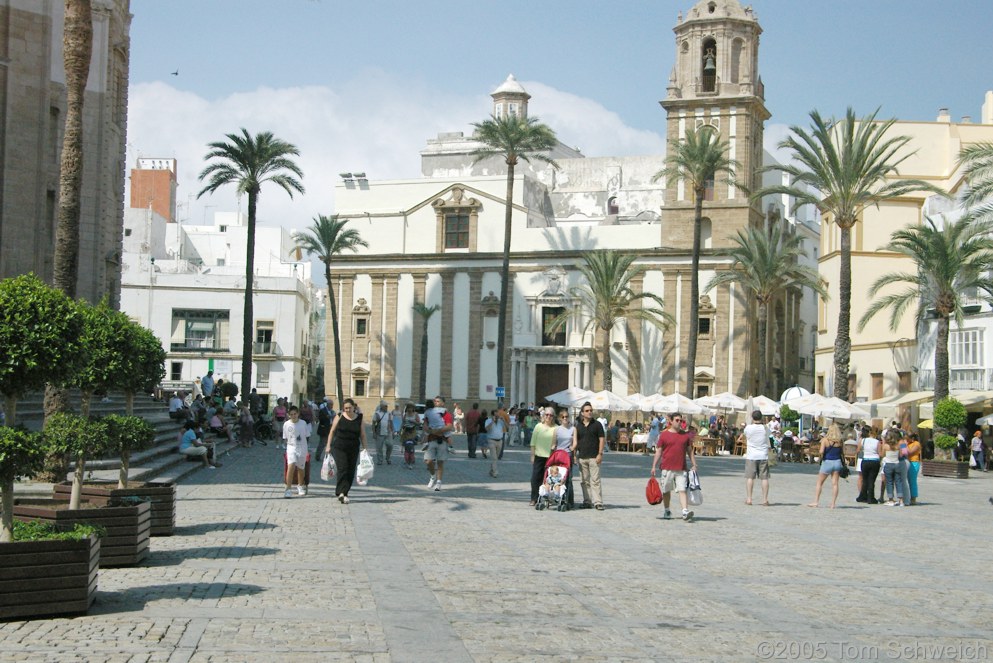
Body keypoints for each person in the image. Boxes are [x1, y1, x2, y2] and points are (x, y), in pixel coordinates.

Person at [650, 413, 697, 521]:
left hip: (681, 468)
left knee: (682, 489)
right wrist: (654, 466)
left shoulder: (685, 436)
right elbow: (659, 451)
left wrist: (694, 464)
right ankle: (667, 510)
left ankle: (685, 511)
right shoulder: (664, 435)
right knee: (666, 490)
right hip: (667, 468)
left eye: (681, 421)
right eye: (677, 420)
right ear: (671, 421)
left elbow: (690, 451)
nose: (679, 422)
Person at [325, 398, 368, 504]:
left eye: (349, 408)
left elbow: (362, 435)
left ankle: (345, 492)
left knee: (350, 471)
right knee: (342, 468)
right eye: (346, 408)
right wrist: (328, 445)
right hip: (339, 447)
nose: (348, 410)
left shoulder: (359, 419)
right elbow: (332, 431)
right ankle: (341, 492)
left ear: (354, 407)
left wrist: (365, 449)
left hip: (353, 447)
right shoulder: (339, 416)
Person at [572, 401, 606, 510]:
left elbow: (602, 439)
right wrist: (574, 455)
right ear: (582, 413)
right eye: (587, 411)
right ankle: (587, 501)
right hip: (582, 457)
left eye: (591, 410)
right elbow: (575, 441)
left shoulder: (597, 424)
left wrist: (600, 454)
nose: (590, 412)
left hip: (594, 457)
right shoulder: (578, 426)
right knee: (584, 481)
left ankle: (598, 502)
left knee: (595, 480)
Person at [807, 423, 845, 508]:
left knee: (819, 483)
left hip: (827, 462)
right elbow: (842, 452)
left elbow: (821, 452)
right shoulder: (840, 441)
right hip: (837, 462)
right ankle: (833, 504)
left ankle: (816, 501)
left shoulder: (825, 440)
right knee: (835, 484)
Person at [741, 409, 771, 506]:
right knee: (764, 478)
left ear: (752, 418)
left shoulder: (748, 428)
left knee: (750, 477)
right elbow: (768, 436)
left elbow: (745, 436)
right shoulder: (765, 428)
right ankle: (765, 500)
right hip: (763, 455)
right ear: (761, 417)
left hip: (751, 455)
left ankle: (749, 499)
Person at [423, 395, 453, 491]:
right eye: (435, 401)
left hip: (442, 440)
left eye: (438, 401)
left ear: (443, 403)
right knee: (428, 460)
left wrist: (437, 431)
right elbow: (425, 425)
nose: (436, 403)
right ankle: (432, 476)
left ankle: (438, 482)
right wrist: (430, 431)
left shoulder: (446, 414)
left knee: (440, 462)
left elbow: (449, 427)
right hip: (431, 439)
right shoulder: (430, 413)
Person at [529, 408, 557, 506]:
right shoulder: (538, 426)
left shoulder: (556, 428)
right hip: (539, 456)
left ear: (554, 417)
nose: (548, 417)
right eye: (547, 415)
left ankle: (548, 498)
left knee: (549, 479)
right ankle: (534, 498)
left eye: (551, 415)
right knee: (535, 478)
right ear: (544, 416)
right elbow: (533, 442)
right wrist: (532, 455)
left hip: (551, 457)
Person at [282, 406, 311, 497]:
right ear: (289, 415)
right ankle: (288, 488)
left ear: (298, 414)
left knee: (301, 468)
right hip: (291, 447)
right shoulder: (286, 424)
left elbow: (307, 435)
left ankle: (300, 485)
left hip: (302, 447)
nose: (293, 416)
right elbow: (286, 437)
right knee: (291, 466)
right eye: (291, 414)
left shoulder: (303, 423)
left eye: (295, 414)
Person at [554, 407, 576, 509]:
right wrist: (552, 449)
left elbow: (575, 441)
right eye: (563, 417)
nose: (565, 418)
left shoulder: (573, 429)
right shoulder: (557, 429)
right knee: (559, 477)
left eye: (566, 417)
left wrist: (573, 447)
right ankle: (560, 497)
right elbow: (554, 443)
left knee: (568, 478)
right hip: (559, 455)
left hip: (568, 454)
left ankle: (569, 500)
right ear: (560, 418)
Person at [881, 428, 910, 506]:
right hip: (899, 462)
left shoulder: (887, 445)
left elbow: (882, 454)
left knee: (891, 482)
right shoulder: (901, 442)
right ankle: (902, 500)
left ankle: (892, 499)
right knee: (900, 481)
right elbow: (905, 453)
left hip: (892, 463)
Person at [856, 426, 882, 504]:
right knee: (871, 480)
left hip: (865, 460)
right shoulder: (877, 442)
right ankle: (871, 497)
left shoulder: (863, 440)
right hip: (874, 461)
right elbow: (880, 453)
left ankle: (862, 496)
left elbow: (858, 449)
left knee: (865, 479)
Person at [483, 408, 505, 477]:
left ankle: (492, 469)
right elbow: (486, 429)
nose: (497, 416)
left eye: (497, 415)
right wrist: (492, 422)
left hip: (500, 441)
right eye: (496, 415)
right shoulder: (488, 421)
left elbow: (507, 428)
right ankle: (495, 472)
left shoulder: (500, 421)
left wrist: (504, 421)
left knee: (496, 457)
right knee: (494, 458)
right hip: (491, 440)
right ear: (492, 415)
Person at [399, 403, 420, 469]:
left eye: (410, 408)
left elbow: (419, 424)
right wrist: (400, 430)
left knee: (411, 445)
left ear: (413, 408)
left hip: (412, 431)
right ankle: (407, 458)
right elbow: (403, 423)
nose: (409, 409)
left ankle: (411, 459)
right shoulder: (405, 415)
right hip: (406, 431)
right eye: (408, 408)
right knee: (406, 445)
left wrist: (414, 422)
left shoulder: (416, 414)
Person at [906, 432, 922, 504]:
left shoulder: (916, 444)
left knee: (912, 481)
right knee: (906, 481)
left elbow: (910, 452)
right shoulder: (907, 443)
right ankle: (907, 497)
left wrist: (903, 445)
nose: (906, 440)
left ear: (912, 438)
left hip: (914, 462)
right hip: (907, 462)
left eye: (907, 438)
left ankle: (913, 498)